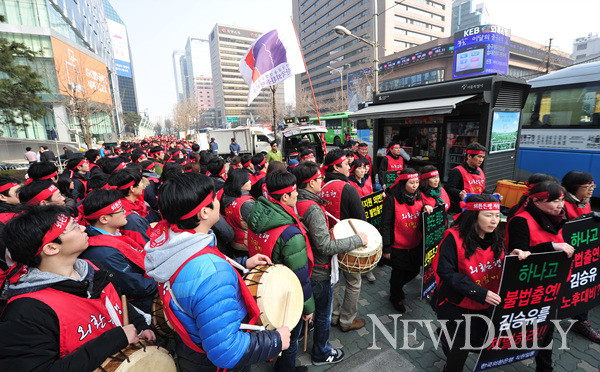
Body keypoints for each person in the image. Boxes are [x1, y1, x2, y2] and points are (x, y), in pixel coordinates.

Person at [144, 173, 287, 371]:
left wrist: (243, 263)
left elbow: (194, 278)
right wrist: (276, 340)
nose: (218, 200)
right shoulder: (212, 273)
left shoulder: (173, 244)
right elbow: (227, 352)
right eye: (214, 199)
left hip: (190, 352)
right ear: (204, 212)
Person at [0, 205, 154, 371]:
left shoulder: (94, 268)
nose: (82, 227)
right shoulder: (25, 311)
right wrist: (114, 340)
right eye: (73, 226)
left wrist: (140, 326)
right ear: (51, 248)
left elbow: (118, 304)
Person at [435, 194, 521, 371]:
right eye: (488, 215)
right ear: (474, 215)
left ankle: (445, 336)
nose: (494, 220)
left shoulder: (497, 236)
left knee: (479, 340)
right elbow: (446, 272)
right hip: (457, 304)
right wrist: (480, 293)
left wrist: (511, 259)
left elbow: (495, 263)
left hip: (486, 304)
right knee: (460, 351)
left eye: (497, 215)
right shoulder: (452, 238)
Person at [294, 161, 367, 365]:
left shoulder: (296, 200)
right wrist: (357, 240)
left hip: (306, 265)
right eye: (319, 179)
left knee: (311, 310)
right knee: (322, 315)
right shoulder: (312, 208)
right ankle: (321, 353)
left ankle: (302, 337)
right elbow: (325, 246)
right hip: (319, 270)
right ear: (310, 183)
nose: (322, 181)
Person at [246, 170, 314, 371]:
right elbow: (301, 276)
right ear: (284, 197)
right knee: (290, 339)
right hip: (284, 295)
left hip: (261, 287)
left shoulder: (257, 215)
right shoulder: (290, 233)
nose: (298, 195)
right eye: (294, 192)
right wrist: (308, 308)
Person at [506, 181, 575, 371]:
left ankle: (545, 368)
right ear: (536, 201)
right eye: (555, 201)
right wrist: (551, 247)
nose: (561, 205)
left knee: (547, 329)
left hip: (551, 286)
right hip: (527, 287)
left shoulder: (559, 217)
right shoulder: (521, 221)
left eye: (562, 199)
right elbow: (518, 255)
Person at [81, 189, 158, 314]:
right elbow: (138, 287)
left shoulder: (113, 235)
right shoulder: (103, 253)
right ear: (104, 219)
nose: (125, 213)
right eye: (121, 210)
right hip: (139, 308)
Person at [320, 149, 367, 331]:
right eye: (346, 164)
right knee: (354, 282)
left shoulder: (320, 187)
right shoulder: (349, 189)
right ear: (336, 167)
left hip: (327, 243)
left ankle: (333, 316)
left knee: (334, 280)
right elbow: (361, 221)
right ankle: (347, 320)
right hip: (348, 245)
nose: (350, 167)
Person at [381, 168, 432, 313]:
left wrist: (426, 207)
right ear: (403, 183)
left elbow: (423, 210)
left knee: (415, 270)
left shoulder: (418, 196)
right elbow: (385, 224)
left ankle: (395, 286)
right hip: (398, 246)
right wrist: (386, 247)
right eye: (412, 183)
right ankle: (395, 296)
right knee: (399, 272)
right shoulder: (391, 199)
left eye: (417, 182)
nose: (415, 185)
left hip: (415, 243)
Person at [561, 170, 600, 342]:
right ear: (573, 188)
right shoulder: (562, 204)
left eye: (593, 186)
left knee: (583, 285)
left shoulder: (585, 202)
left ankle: (580, 321)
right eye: (587, 187)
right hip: (563, 254)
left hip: (582, 256)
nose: (592, 189)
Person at [220, 169, 255, 257]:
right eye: (248, 180)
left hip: (235, 241)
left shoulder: (227, 197)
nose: (250, 181)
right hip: (246, 244)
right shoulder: (246, 203)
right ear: (240, 184)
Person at [446, 143, 487, 214]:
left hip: (476, 206)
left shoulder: (480, 171)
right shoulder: (457, 171)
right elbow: (449, 188)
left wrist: (493, 195)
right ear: (469, 156)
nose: (481, 160)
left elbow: (481, 190)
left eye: (483, 157)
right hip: (460, 209)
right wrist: (459, 193)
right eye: (479, 157)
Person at [0, 177, 21, 270]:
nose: (22, 193)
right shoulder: (4, 221)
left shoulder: (22, 209)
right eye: (17, 191)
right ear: (2, 197)